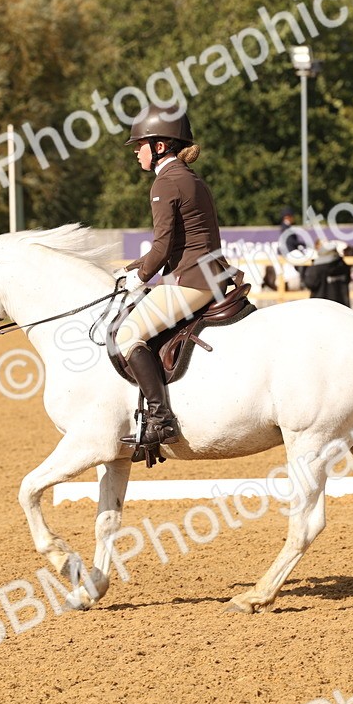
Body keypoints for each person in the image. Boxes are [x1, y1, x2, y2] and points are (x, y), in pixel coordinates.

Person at [113, 104, 230, 452]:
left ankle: (161, 419)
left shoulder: (166, 182)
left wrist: (142, 277)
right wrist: (135, 266)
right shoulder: (189, 178)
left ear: (160, 146)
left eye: (140, 145)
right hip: (210, 273)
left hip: (192, 281)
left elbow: (163, 246)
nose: (136, 152)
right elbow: (178, 241)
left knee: (128, 336)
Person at [301, 240, 352, 308]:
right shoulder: (343, 266)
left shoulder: (318, 268)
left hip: (321, 308)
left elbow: (310, 283)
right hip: (342, 308)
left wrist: (302, 269)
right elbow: (348, 279)